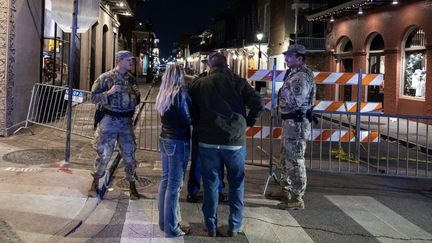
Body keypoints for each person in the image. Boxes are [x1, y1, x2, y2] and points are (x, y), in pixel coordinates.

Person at [189, 52, 263, 237]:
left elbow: (190, 106)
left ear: (210, 65)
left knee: (211, 183)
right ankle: (234, 226)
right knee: (236, 183)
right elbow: (258, 102)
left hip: (207, 141)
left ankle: (210, 226)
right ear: (227, 64)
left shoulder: (199, 84)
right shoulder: (238, 82)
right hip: (234, 141)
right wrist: (249, 121)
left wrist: (198, 123)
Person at [88, 50, 141, 200]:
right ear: (119, 60)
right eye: (128, 60)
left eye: (131, 60)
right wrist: (109, 93)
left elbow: (137, 98)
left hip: (126, 123)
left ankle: (132, 185)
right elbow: (92, 97)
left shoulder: (132, 80)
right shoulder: (105, 78)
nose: (131, 62)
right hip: (109, 121)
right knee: (104, 154)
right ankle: (95, 182)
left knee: (130, 155)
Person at [273, 44, 316, 210]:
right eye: (286, 55)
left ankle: (297, 197)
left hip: (296, 124)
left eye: (289, 56)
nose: (286, 58)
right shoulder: (294, 74)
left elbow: (296, 100)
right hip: (290, 123)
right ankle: (286, 190)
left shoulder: (301, 77)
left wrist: (283, 93)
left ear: (299, 58)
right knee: (286, 157)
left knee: (296, 160)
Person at [155, 64, 192, 237]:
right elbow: (187, 119)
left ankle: (164, 222)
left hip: (165, 139)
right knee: (175, 186)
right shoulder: (180, 93)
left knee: (165, 180)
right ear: (180, 75)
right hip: (178, 141)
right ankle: (172, 228)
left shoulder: (164, 92)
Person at [187, 59, 227, 203]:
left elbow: (190, 101)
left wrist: (194, 119)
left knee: (203, 159)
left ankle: (197, 190)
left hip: (205, 126)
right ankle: (213, 190)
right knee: (210, 160)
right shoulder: (226, 80)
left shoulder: (200, 81)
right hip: (212, 127)